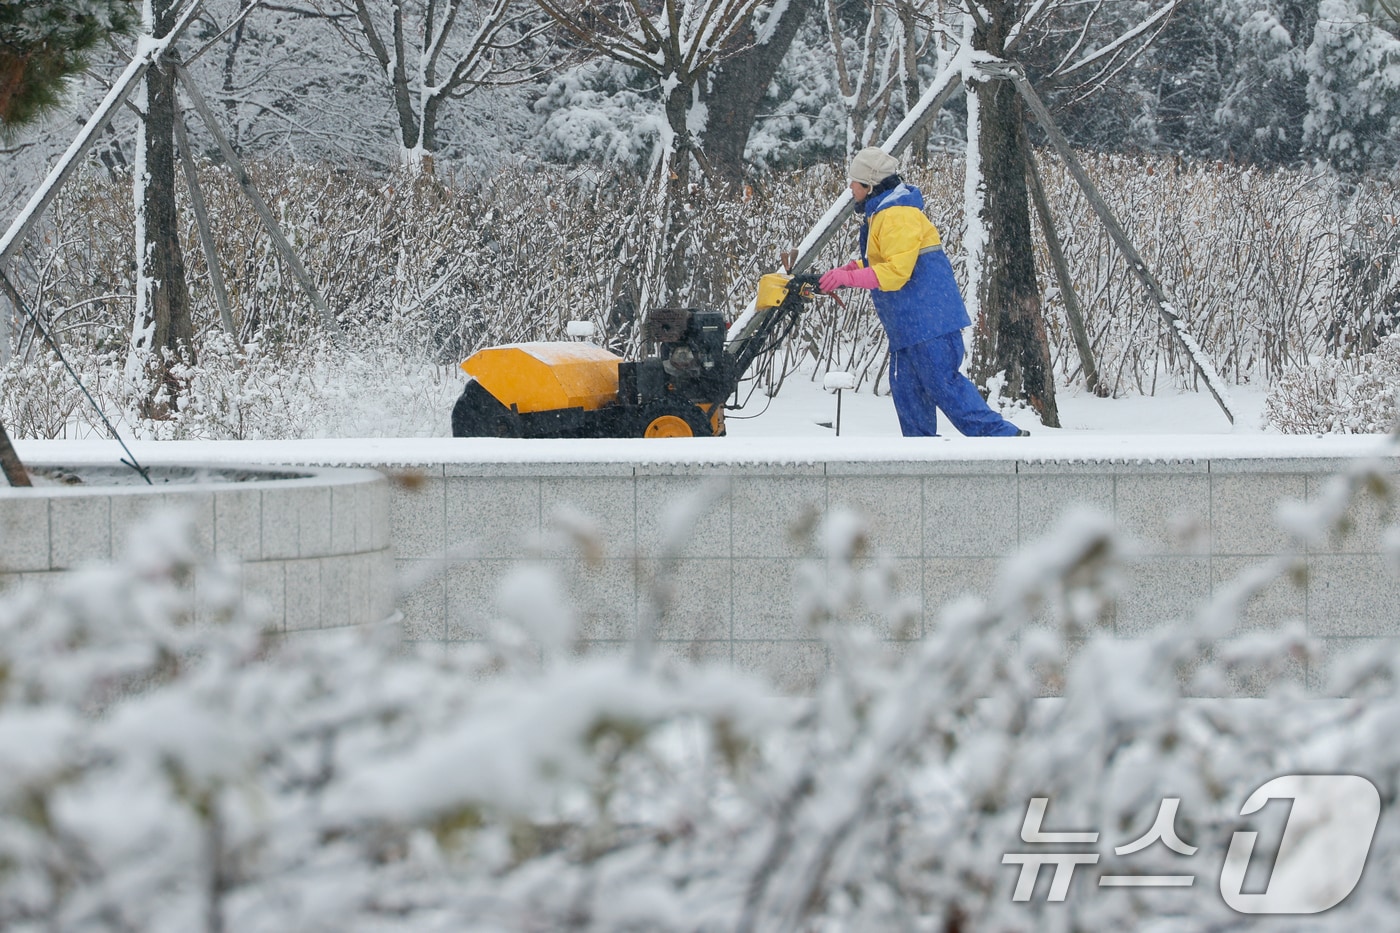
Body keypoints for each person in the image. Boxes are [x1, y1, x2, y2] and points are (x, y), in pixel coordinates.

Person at [818, 147, 1028, 438]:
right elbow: (884, 259)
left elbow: (895, 272)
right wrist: (849, 270)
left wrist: (850, 278)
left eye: (854, 182)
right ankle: (920, 457)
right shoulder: (882, 213)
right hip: (909, 325)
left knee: (944, 386)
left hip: (929, 321)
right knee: (909, 396)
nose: (850, 188)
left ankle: (1004, 440)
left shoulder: (898, 215)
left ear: (870, 185)